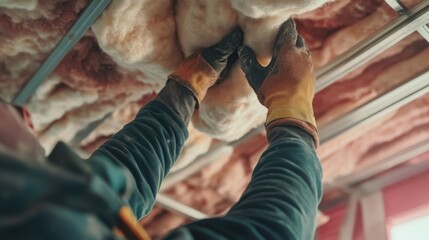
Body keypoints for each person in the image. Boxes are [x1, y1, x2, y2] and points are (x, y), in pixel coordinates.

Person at [0, 19, 322, 240]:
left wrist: (182, 94)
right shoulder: (39, 220)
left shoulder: (42, 210)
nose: (23, 113)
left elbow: (105, 192)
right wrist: (293, 119)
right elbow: (274, 233)